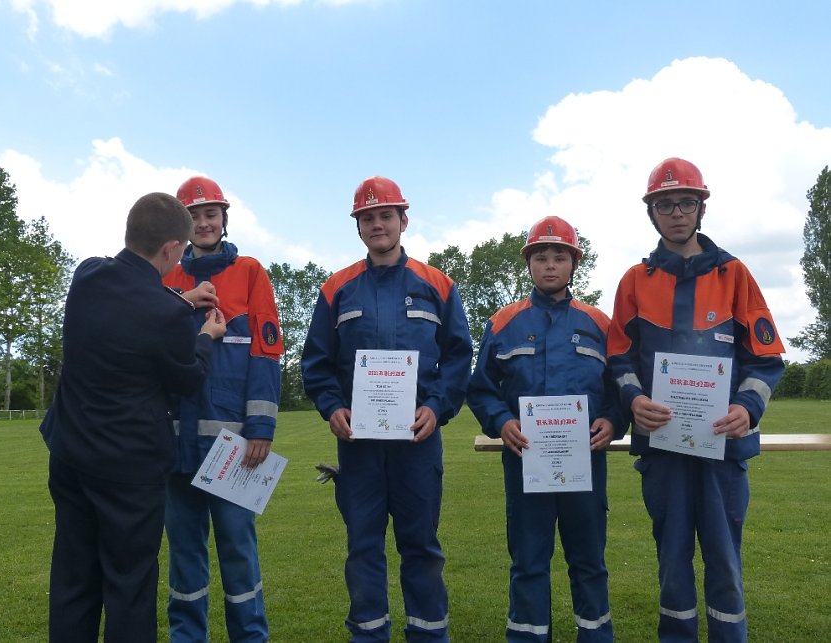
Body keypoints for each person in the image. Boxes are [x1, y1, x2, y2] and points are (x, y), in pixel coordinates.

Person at [607, 157, 785, 642]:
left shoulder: (735, 275)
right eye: (665, 204)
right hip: (662, 448)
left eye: (686, 201)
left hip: (723, 450)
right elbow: (618, 359)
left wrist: (747, 407)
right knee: (672, 562)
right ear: (652, 213)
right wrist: (633, 401)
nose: (677, 212)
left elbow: (767, 359)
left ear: (701, 207)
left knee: (725, 562)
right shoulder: (634, 281)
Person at [40, 192, 226, 643]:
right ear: (170, 249)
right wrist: (206, 335)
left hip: (70, 455)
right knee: (129, 584)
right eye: (180, 249)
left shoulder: (87, 274)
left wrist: (181, 300)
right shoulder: (165, 316)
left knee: (73, 579)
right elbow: (187, 378)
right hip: (129, 469)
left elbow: (131, 303)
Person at [301, 176, 473, 642]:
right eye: (367, 217)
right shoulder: (336, 288)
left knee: (421, 547)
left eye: (385, 215)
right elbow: (315, 362)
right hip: (358, 446)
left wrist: (437, 407)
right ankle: (368, 635)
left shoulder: (437, 284)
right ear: (358, 227)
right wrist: (332, 407)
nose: (377, 224)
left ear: (403, 220)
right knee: (363, 548)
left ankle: (429, 634)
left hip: (417, 442)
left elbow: (459, 356)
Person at [467, 216, 625, 642]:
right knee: (529, 562)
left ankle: (594, 635)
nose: (550, 265)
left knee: (589, 560)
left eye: (560, 257)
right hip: (524, 465)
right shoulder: (503, 323)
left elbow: (622, 388)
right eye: (541, 257)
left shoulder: (599, 323)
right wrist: (502, 422)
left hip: (585, 467)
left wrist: (614, 420)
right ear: (529, 264)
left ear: (575, 263)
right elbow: (480, 389)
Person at [162, 176, 283, 643]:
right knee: (184, 554)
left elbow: (266, 354)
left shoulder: (251, 272)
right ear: (181, 224)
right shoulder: (166, 276)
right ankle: (187, 637)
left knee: (237, 549)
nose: (203, 222)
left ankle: (249, 636)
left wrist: (261, 428)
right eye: (193, 216)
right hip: (175, 446)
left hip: (236, 447)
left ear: (224, 218)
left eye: (210, 213)